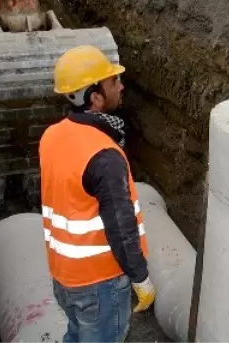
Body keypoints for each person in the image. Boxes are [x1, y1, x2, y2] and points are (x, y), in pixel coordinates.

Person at [40, 45, 156, 342]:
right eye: (112, 82)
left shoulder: (52, 135)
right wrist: (140, 278)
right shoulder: (104, 154)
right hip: (99, 282)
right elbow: (121, 225)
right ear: (95, 96)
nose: (121, 86)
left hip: (64, 276)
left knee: (77, 334)